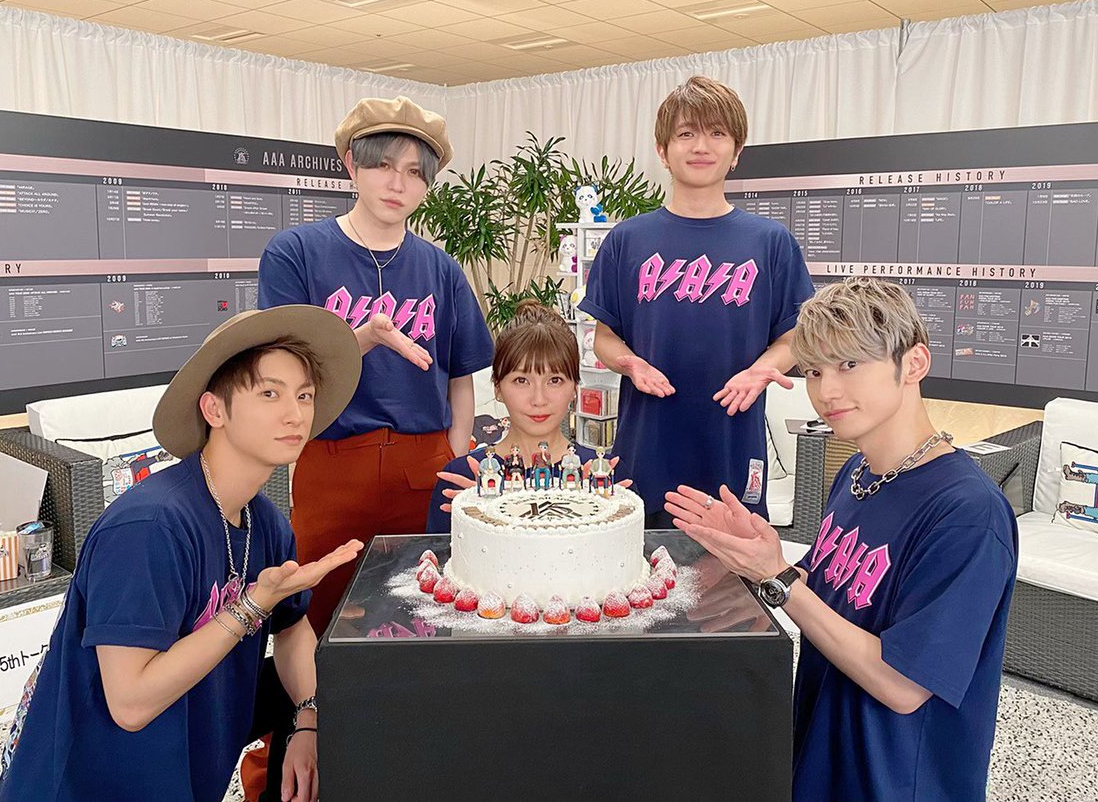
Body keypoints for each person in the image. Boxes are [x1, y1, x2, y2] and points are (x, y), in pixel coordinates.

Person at [665, 277, 1018, 801]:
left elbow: (903, 685)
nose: (826, 391)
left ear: (914, 364)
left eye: (849, 363)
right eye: (813, 371)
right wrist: (759, 556)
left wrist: (779, 578)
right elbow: (832, 592)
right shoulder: (857, 473)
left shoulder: (967, 514)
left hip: (897, 782)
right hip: (824, 754)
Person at [0, 305, 366, 802]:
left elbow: (292, 627)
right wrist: (252, 606)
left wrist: (308, 720)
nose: (295, 414)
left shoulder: (266, 522)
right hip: (88, 784)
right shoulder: (149, 527)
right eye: (269, 393)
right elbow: (130, 704)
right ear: (214, 410)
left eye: (304, 396)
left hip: (184, 771)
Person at [257, 96, 494, 633]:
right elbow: (283, 372)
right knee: (318, 615)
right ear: (351, 164)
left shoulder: (441, 268)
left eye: (414, 172)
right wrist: (360, 339)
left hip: (424, 464)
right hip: (333, 461)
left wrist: (455, 455)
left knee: (428, 613)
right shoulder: (296, 254)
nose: (397, 184)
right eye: (383, 165)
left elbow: (460, 376)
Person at [579, 75, 813, 525]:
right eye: (686, 133)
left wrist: (762, 370)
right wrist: (631, 364)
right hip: (646, 449)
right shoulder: (627, 240)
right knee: (639, 562)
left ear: (737, 151)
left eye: (717, 133)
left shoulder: (771, 243)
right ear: (663, 149)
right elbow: (604, 338)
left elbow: (792, 339)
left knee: (731, 562)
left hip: (733, 446)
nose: (701, 146)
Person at [428, 302, 629, 531]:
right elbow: (440, 553)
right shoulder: (462, 479)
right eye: (521, 381)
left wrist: (601, 512)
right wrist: (478, 518)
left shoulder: (606, 477)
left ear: (575, 388)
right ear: (497, 387)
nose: (539, 399)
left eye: (555, 380)